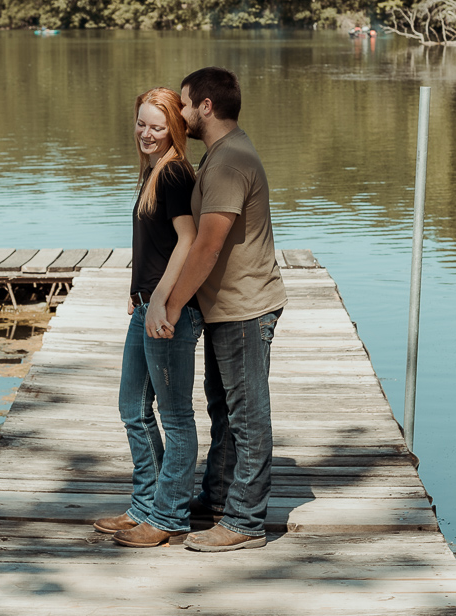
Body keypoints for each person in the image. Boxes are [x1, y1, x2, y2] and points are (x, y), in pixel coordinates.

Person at [146, 66, 287, 552]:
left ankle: (245, 522)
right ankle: (220, 497)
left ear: (205, 106)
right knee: (223, 409)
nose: (180, 115)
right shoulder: (223, 154)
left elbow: (207, 245)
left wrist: (169, 303)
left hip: (245, 307)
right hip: (227, 308)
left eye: (184, 105)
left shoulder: (228, 163)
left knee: (247, 415)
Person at [93, 87, 202, 548]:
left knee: (175, 418)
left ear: (175, 129)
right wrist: (138, 292)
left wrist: (159, 300)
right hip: (147, 306)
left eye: (157, 126)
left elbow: (188, 239)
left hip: (169, 312)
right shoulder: (154, 172)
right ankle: (145, 506)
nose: (146, 133)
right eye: (141, 123)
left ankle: (170, 516)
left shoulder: (175, 173)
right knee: (132, 409)